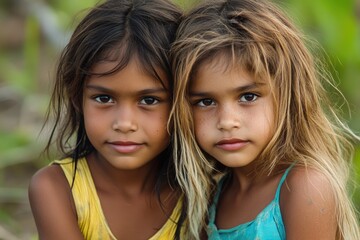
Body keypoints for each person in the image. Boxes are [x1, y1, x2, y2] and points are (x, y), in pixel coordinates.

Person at [170, 0, 360, 239]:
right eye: (206, 102)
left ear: (288, 95)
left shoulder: (305, 187)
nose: (227, 121)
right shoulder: (211, 193)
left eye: (248, 96)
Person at [28, 0, 193, 239]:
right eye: (104, 98)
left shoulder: (204, 190)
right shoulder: (57, 189)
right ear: (77, 98)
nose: (124, 123)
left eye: (149, 100)